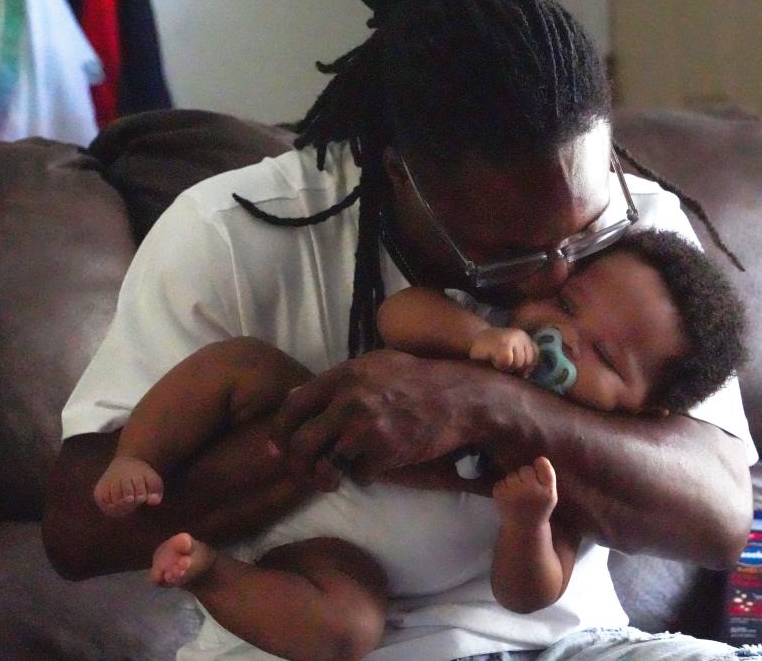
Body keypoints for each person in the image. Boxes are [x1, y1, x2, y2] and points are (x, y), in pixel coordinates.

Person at [44, 0, 758, 660]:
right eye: (511, 250)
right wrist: (317, 434)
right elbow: (78, 534)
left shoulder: (635, 236)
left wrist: (482, 406)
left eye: (580, 233)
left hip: (575, 647)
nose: (557, 273)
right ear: (396, 175)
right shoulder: (232, 232)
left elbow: (717, 516)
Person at [88, 229, 745, 660]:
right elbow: (397, 316)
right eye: (569, 306)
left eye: (602, 355)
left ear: (647, 412)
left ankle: (207, 570)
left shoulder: (565, 469)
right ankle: (137, 454)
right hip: (302, 430)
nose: (565, 340)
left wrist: (526, 521)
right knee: (240, 364)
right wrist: (469, 343)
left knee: (349, 629)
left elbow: (529, 592)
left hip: (339, 560)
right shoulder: (489, 329)